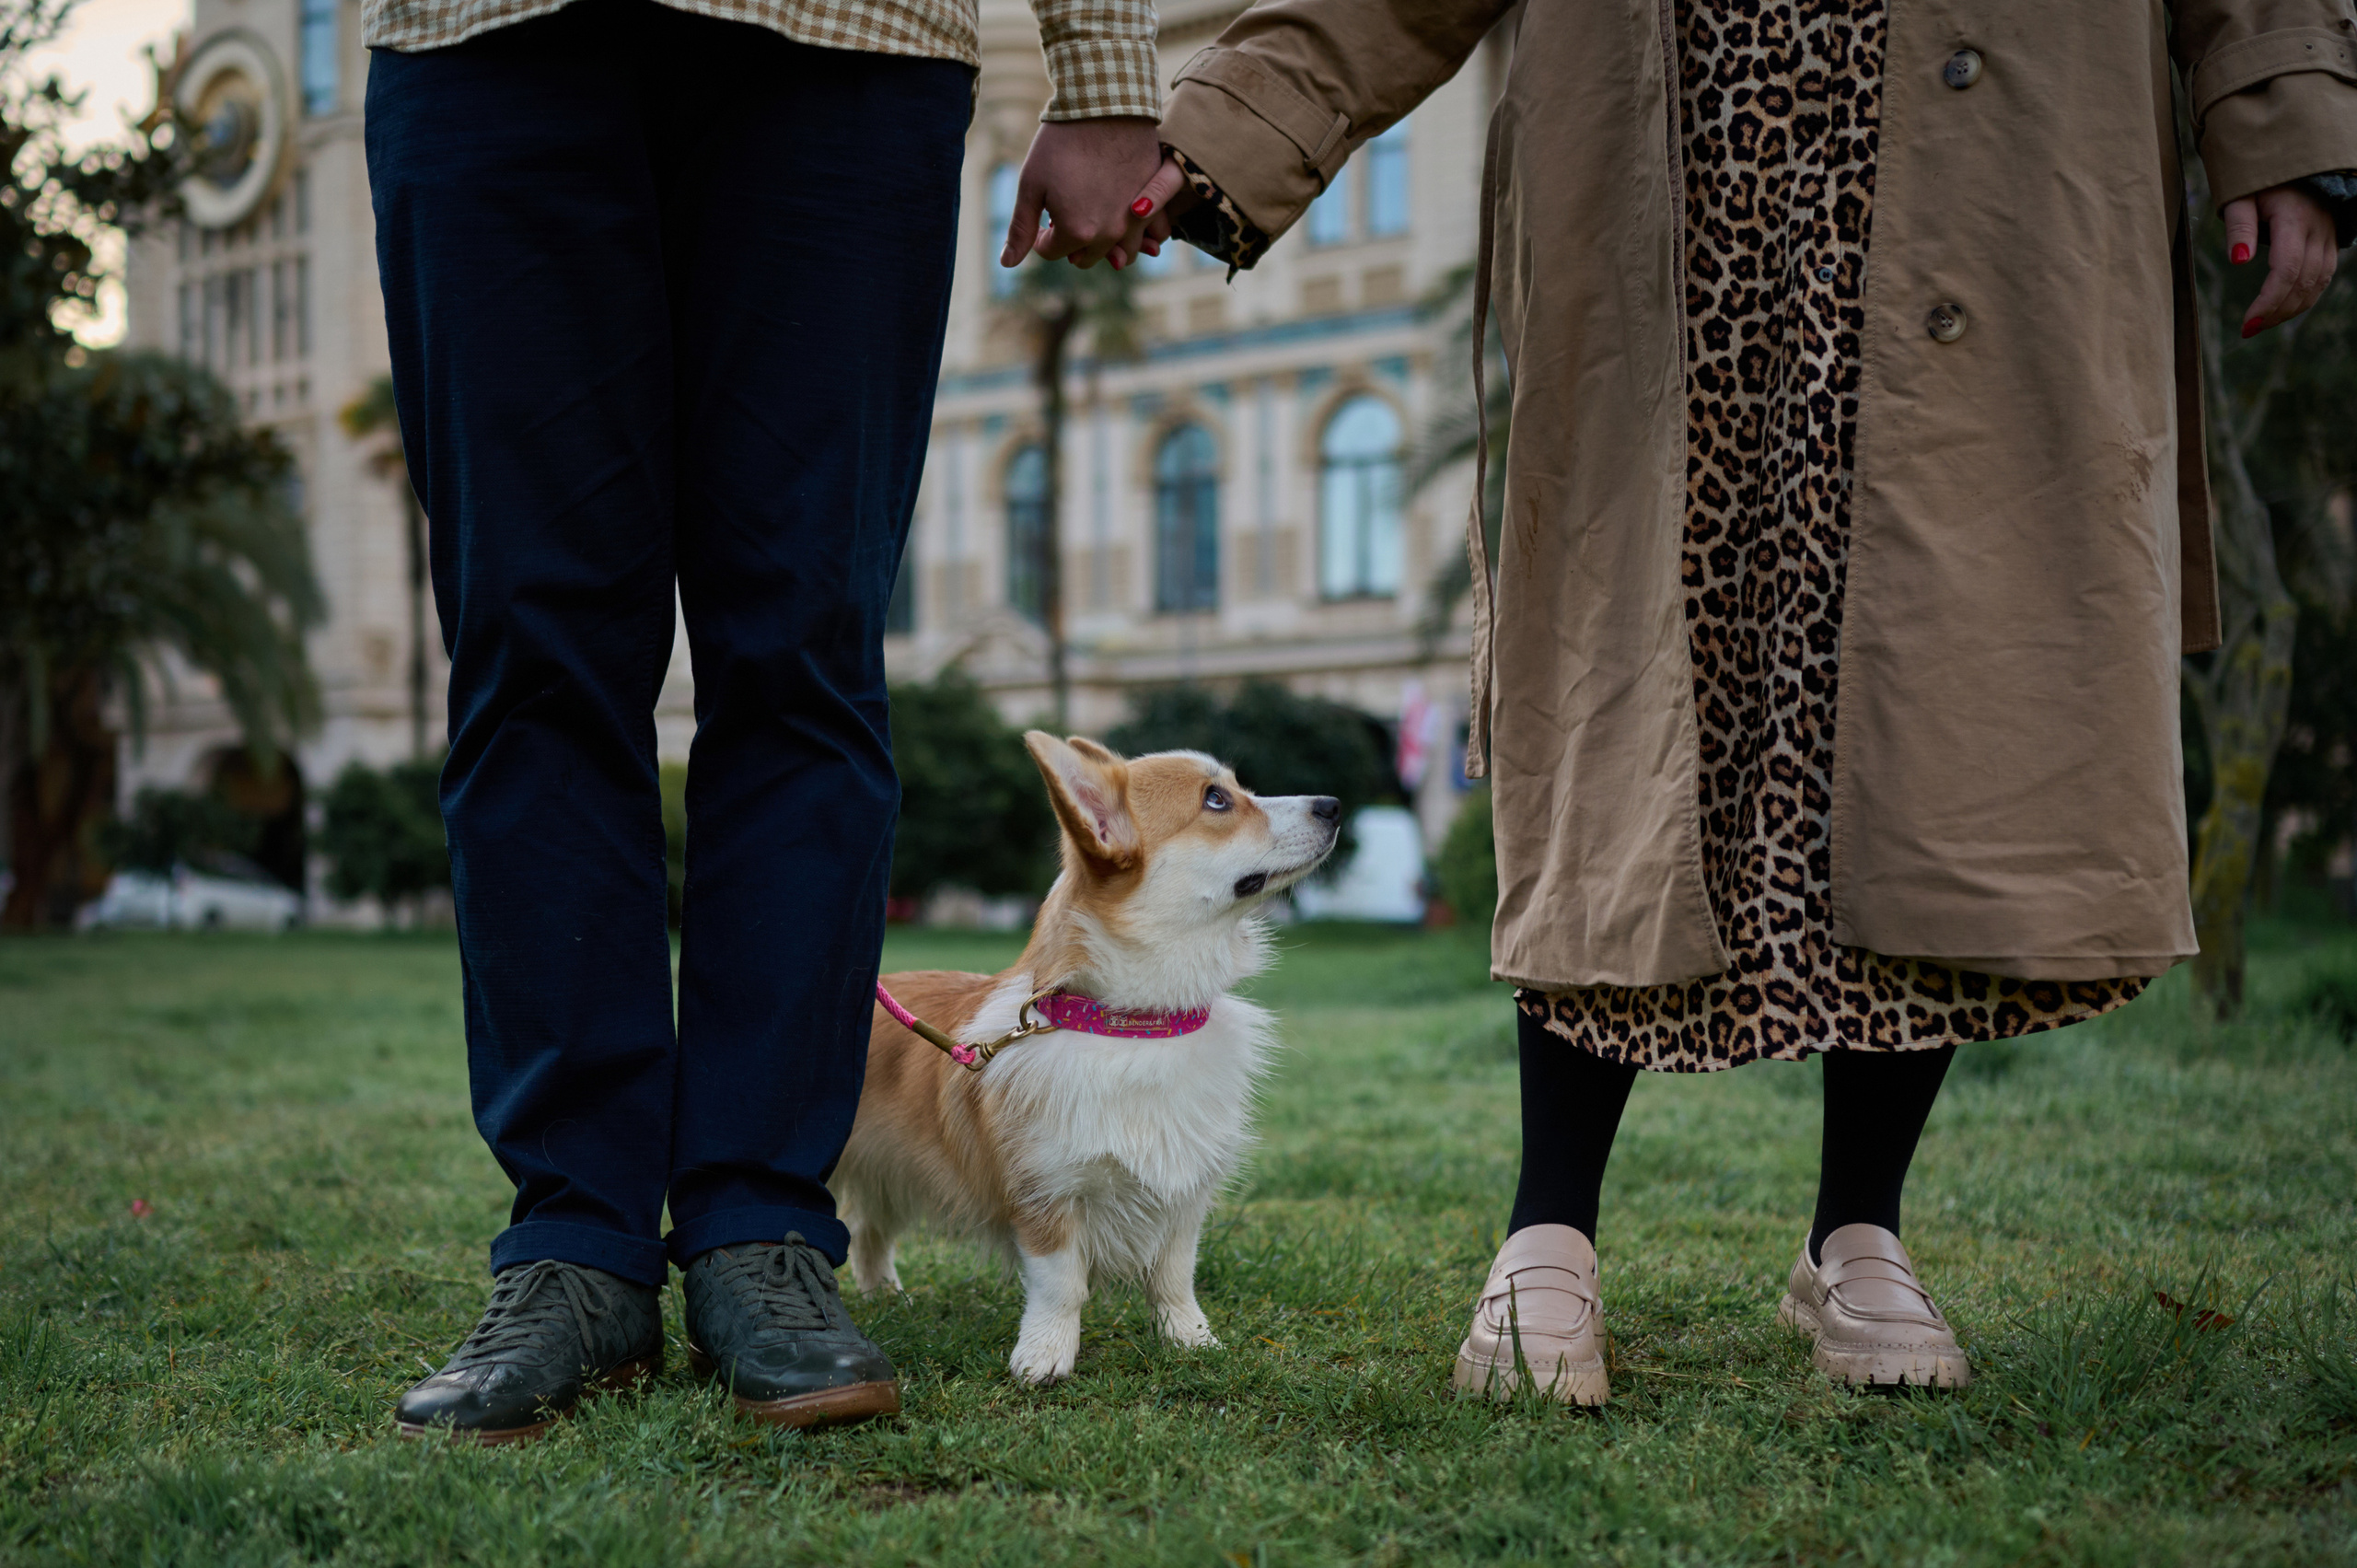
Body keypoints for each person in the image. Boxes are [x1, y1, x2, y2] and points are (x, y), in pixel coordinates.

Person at [1119, 0, 2357, 1400]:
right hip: (1678, 177)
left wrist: (2288, 108)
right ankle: (1548, 1229)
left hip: (1993, 163)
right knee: (1626, 727)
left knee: (1928, 725)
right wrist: (1224, 126)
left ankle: (1858, 1232)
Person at [365, 0, 1164, 1440]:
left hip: (843, 41)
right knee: (530, 662)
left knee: (800, 655)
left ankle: (759, 1230)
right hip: (481, 38)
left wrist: (1101, 66)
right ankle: (573, 1244)